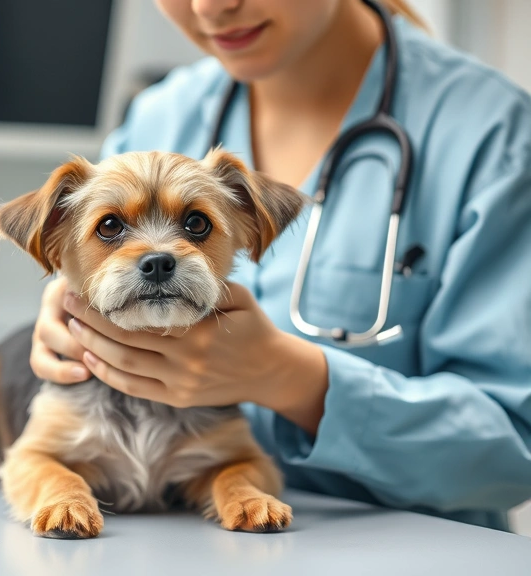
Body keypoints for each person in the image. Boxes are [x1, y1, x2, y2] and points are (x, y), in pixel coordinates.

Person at [30, 0, 531, 531]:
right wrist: (66, 313)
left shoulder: (494, 136)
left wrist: (291, 380)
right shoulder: (162, 112)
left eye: (196, 224)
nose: (210, 6)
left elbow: (517, 450)